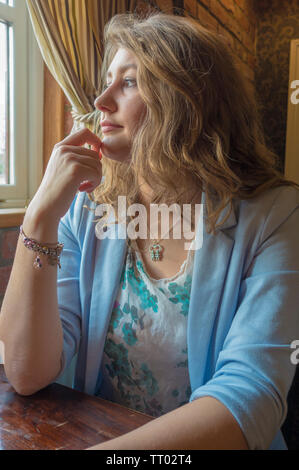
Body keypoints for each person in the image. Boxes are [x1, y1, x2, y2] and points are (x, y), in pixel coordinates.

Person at [0, 10, 299, 451]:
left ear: (188, 99)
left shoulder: (275, 214)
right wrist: (39, 217)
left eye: (129, 82)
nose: (100, 100)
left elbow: (250, 398)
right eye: (107, 79)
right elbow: (26, 372)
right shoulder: (90, 204)